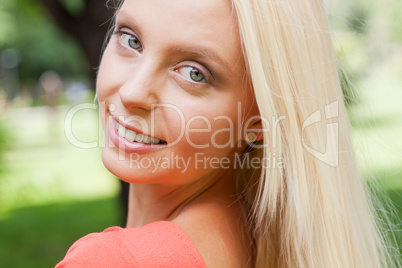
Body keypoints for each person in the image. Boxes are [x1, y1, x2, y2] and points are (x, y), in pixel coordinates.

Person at [56, 0, 399, 267]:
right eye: (131, 40)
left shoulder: (112, 262)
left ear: (261, 122)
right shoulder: (264, 243)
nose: (132, 92)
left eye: (193, 73)